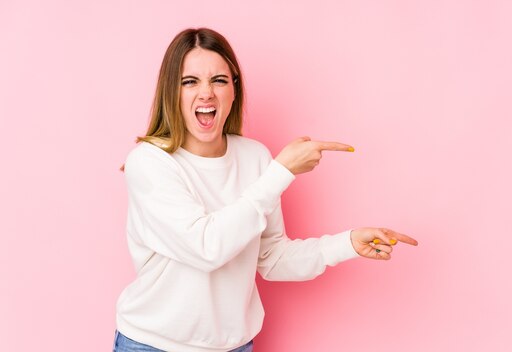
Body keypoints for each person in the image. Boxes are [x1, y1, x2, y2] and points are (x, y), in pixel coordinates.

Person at [113, 27, 418, 352]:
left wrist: (347, 244)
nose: (206, 94)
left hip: (235, 346)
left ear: (234, 89)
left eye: (218, 80)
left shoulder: (255, 157)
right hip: (153, 345)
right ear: (170, 92)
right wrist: (281, 171)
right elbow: (206, 247)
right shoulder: (149, 163)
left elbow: (272, 258)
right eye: (190, 82)